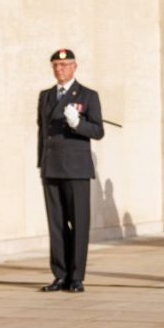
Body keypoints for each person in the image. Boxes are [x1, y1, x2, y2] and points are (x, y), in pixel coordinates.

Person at [37, 48, 104, 293]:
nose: (59, 69)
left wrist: (78, 124)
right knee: (55, 224)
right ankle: (60, 274)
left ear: (74, 67)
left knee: (78, 222)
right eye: (55, 65)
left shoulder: (88, 95)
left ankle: (76, 276)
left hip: (76, 168)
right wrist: (41, 163)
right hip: (52, 166)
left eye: (64, 66)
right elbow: (42, 133)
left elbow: (98, 131)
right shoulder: (45, 96)